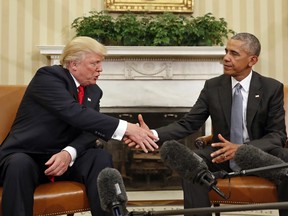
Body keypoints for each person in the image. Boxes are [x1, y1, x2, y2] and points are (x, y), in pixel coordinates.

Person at [129, 32, 288, 216]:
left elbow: (277, 135)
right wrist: (152, 135)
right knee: (191, 163)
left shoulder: (271, 88)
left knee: (285, 162)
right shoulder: (213, 87)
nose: (226, 58)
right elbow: (188, 123)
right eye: (226, 51)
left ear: (252, 60)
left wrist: (242, 149)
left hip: (261, 155)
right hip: (221, 155)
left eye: (234, 54)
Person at [0, 36, 158, 216]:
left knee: (99, 157)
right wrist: (128, 128)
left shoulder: (94, 91)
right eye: (95, 63)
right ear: (74, 64)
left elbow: (90, 129)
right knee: (18, 164)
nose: (100, 69)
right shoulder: (48, 77)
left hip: (65, 160)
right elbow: (75, 113)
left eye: (100, 63)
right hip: (30, 155)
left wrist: (69, 153)